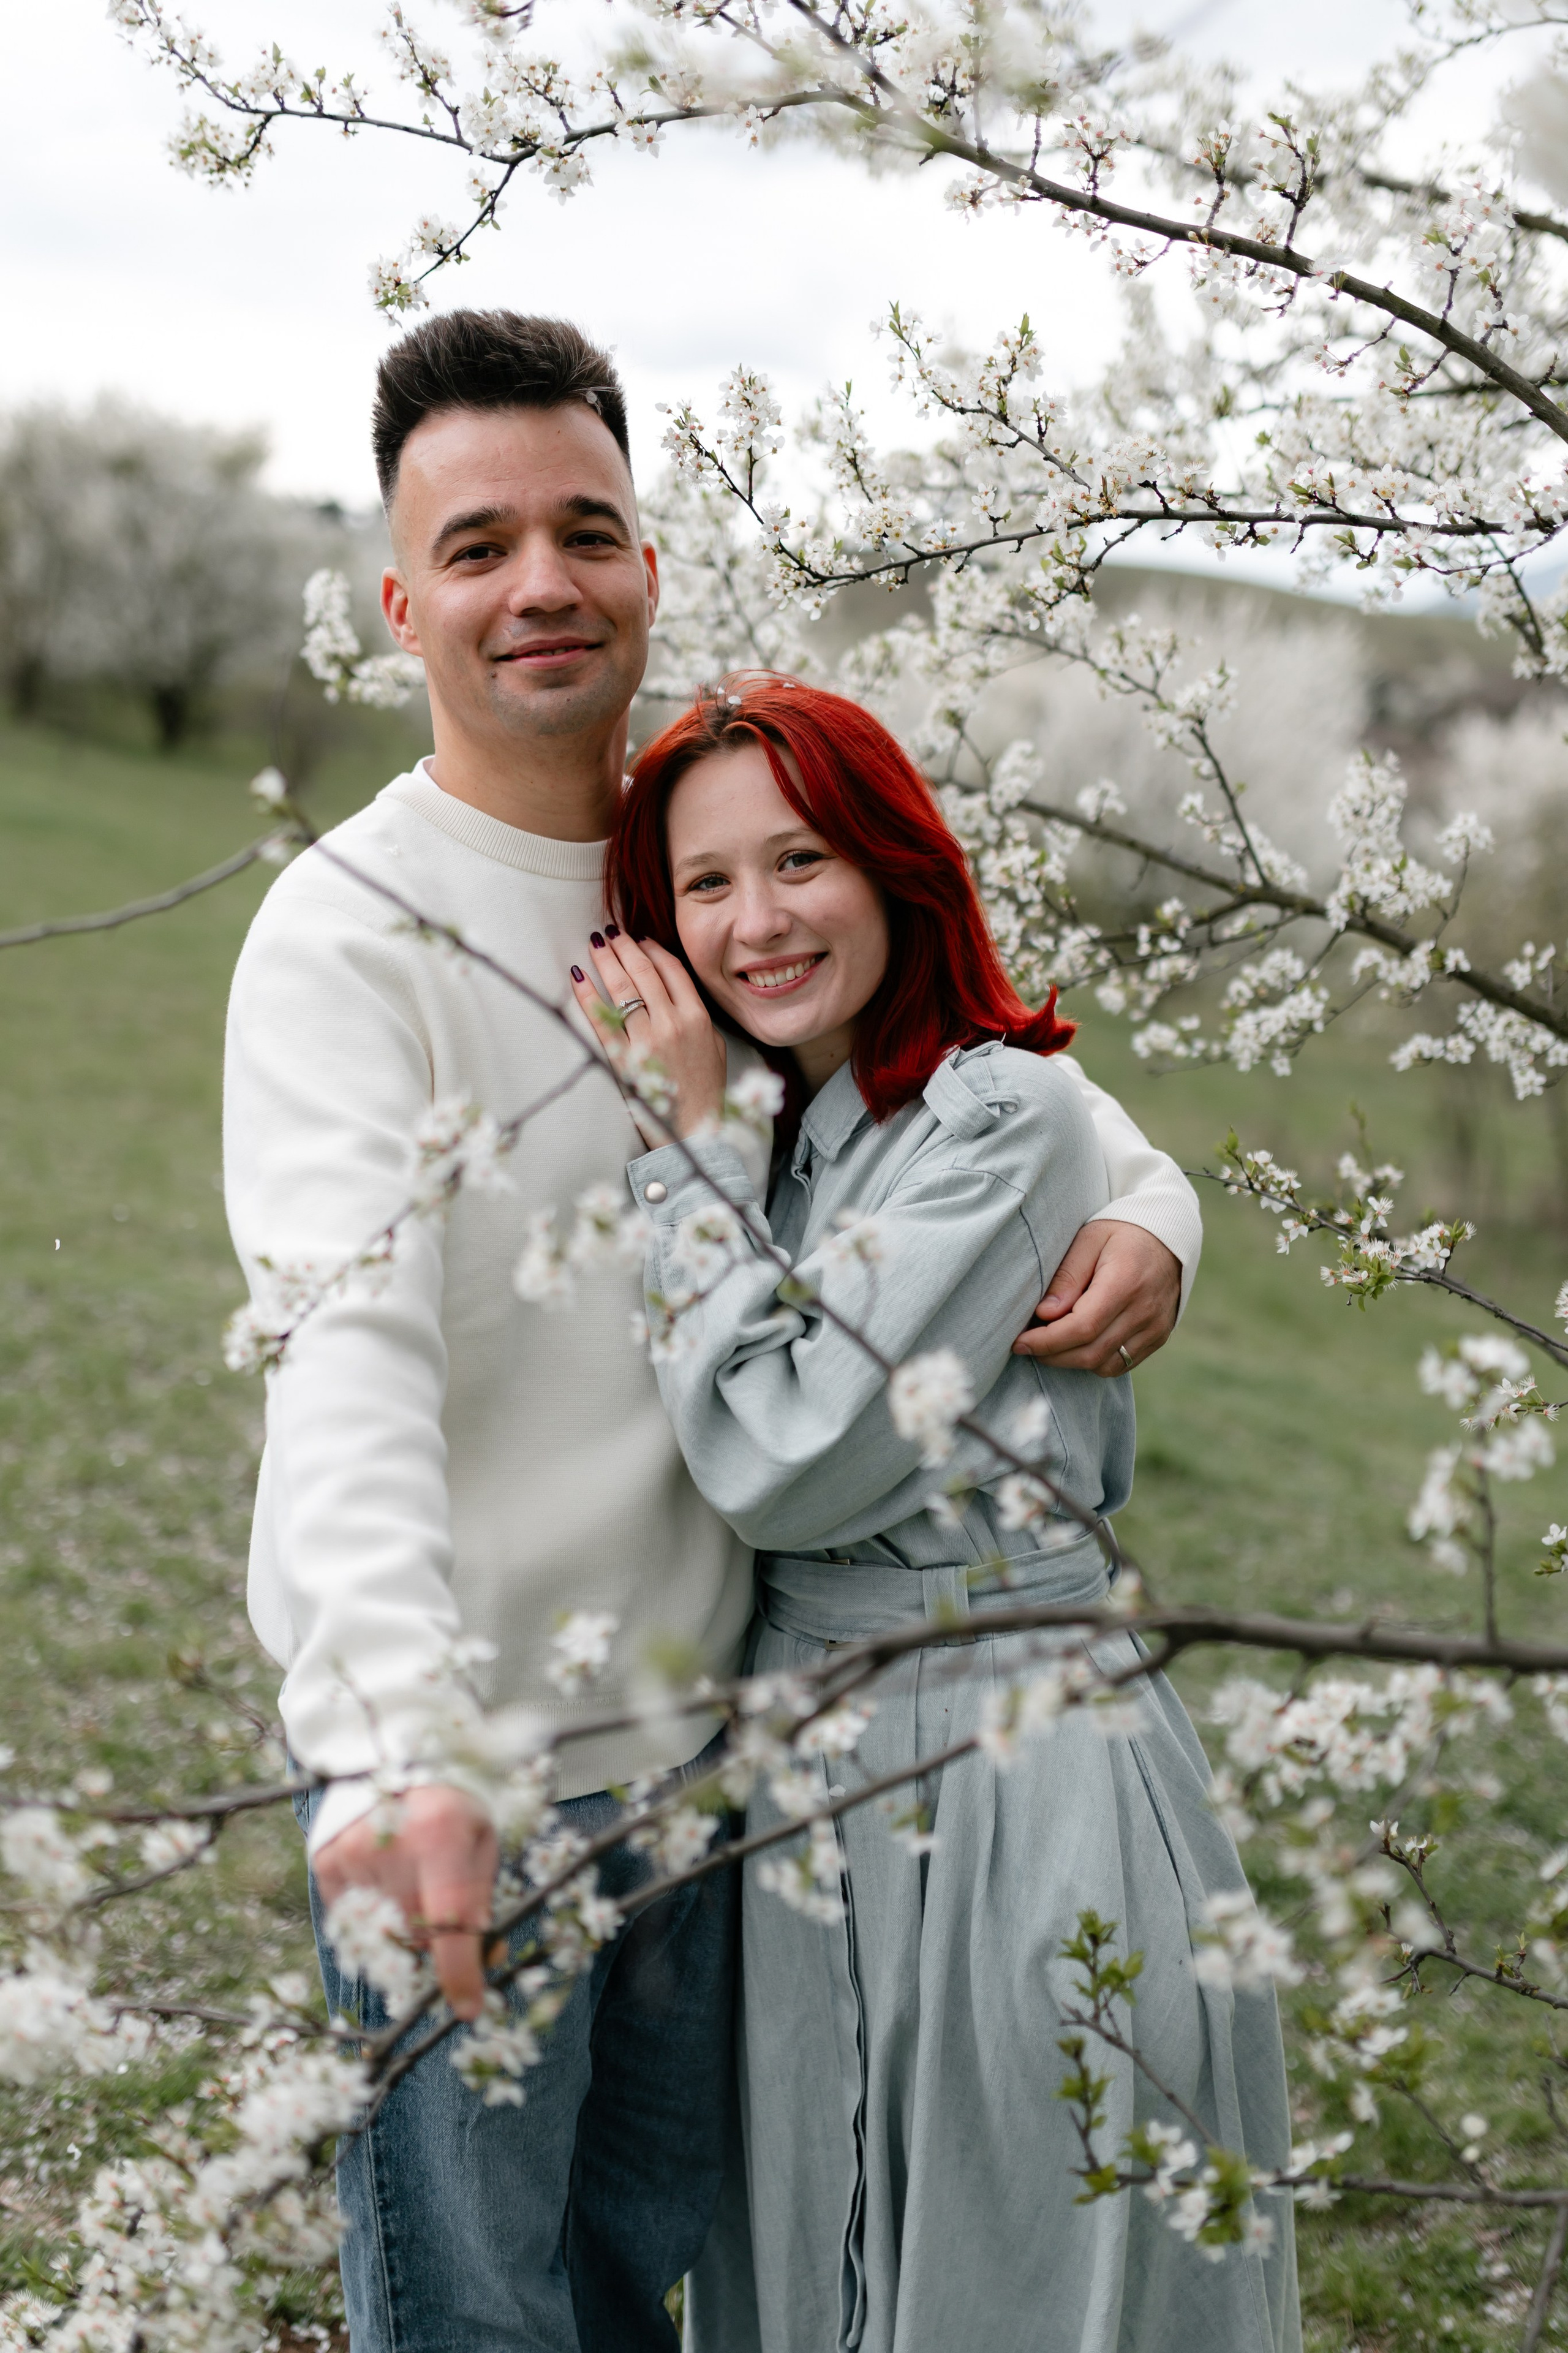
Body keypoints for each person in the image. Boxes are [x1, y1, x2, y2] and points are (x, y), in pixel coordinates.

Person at [223, 308, 1205, 2353]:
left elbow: (996, 1078)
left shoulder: (699, 856)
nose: (542, 582)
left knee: (682, 2302)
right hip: (489, 1773)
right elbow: (348, 1362)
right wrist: (401, 1749)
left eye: (587, 528)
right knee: (482, 2322)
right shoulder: (346, 933)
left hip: (731, 1766)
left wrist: (1160, 1205)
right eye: (478, 546)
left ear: (649, 566)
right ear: (399, 600)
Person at [571, 675, 1298, 2353]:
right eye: (706, 884)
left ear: (896, 862)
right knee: (809, 2271)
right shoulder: (797, 1127)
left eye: (803, 858)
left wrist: (683, 1148)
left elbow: (788, 1451)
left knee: (1013, 2269)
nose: (758, 921)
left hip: (1003, 1769)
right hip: (811, 1777)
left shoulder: (992, 1114)